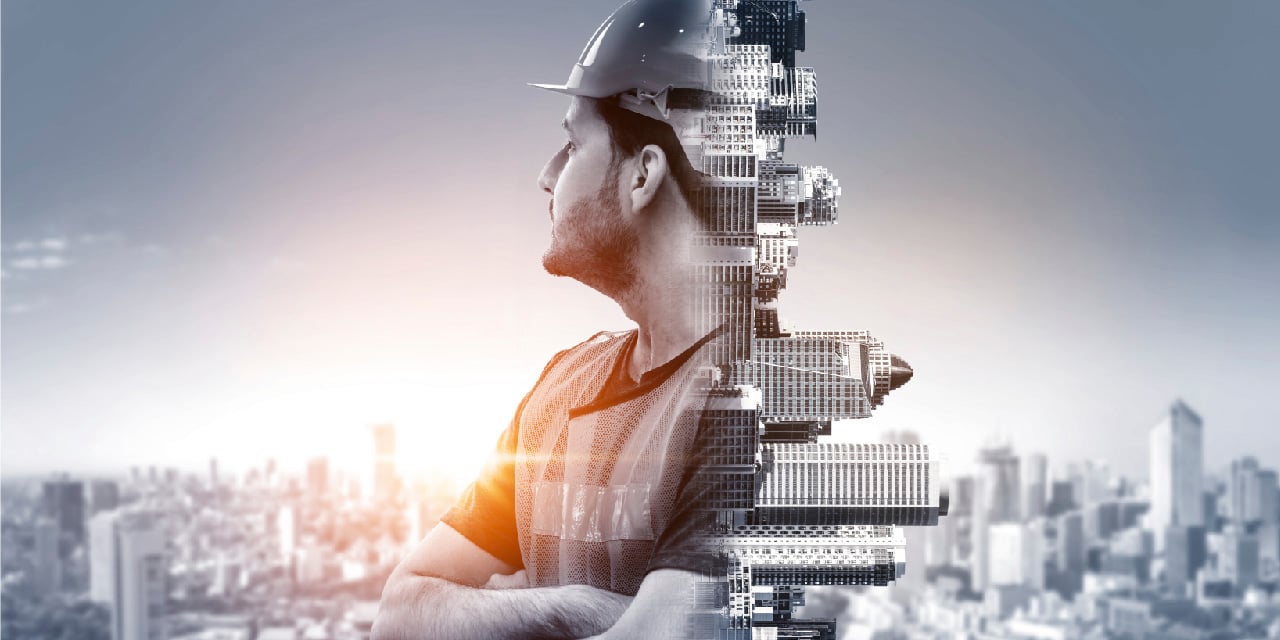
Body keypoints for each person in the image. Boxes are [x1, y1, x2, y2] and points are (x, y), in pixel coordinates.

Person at [371, 1, 719, 638]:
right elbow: (400, 614)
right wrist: (568, 610)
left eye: (572, 143)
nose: (545, 175)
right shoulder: (562, 384)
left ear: (643, 174)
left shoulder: (764, 400)